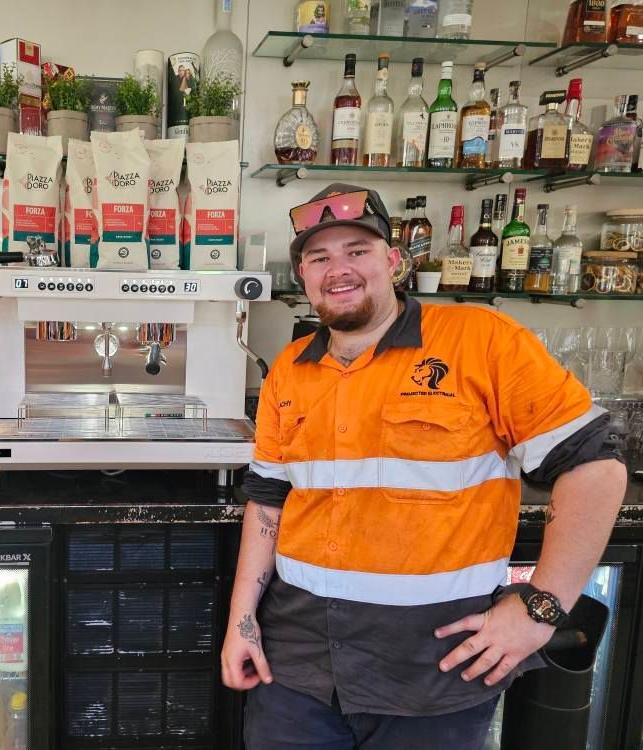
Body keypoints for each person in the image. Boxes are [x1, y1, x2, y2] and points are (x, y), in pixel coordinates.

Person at [221, 183, 626, 749]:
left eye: (357, 251)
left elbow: (596, 468)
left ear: (394, 261)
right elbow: (268, 501)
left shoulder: (481, 340)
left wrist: (541, 607)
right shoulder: (290, 368)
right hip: (298, 663)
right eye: (319, 257)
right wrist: (241, 621)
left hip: (438, 666)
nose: (338, 270)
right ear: (304, 274)